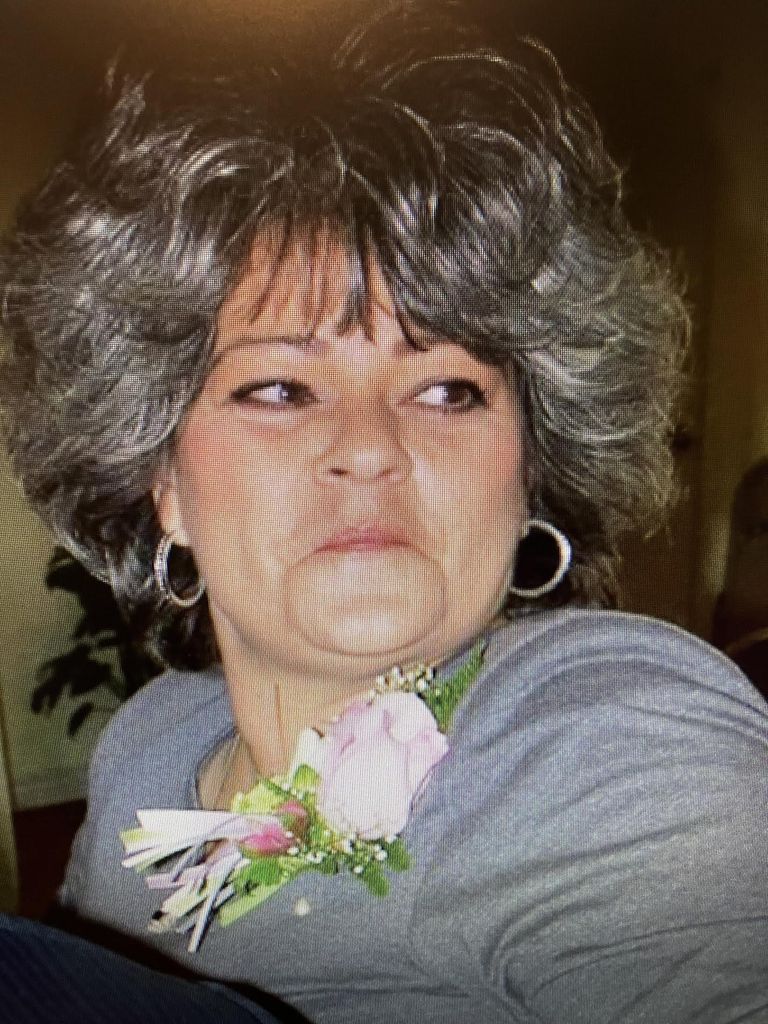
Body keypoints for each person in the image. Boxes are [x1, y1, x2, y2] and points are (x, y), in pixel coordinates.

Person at [2, 4, 768, 1021]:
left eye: (448, 390)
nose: (370, 446)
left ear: (530, 472)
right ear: (163, 480)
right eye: (279, 388)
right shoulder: (150, 744)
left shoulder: (606, 732)